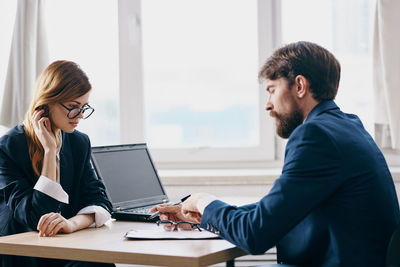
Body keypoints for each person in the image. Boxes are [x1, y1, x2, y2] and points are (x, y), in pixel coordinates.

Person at [151, 41, 400, 266]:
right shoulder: (347, 126)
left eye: (271, 89)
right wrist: (204, 215)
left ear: (300, 85)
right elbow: (278, 211)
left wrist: (204, 201)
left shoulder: (315, 136)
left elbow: (255, 234)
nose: (268, 104)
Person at [0, 60, 114, 267]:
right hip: (26, 254)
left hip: (63, 247)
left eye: (84, 107)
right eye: (72, 107)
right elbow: (35, 218)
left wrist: (71, 224)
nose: (79, 116)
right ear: (45, 103)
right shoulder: (8, 147)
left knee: (100, 262)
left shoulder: (79, 142)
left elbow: (100, 200)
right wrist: (50, 152)